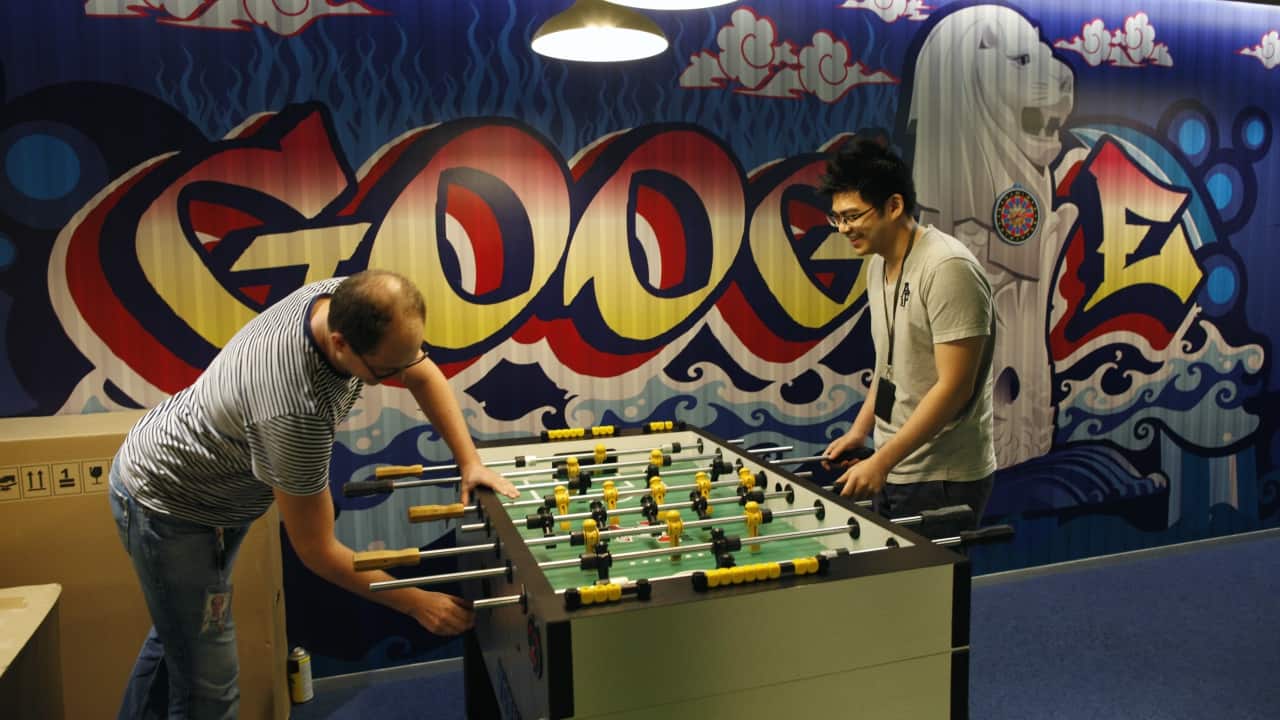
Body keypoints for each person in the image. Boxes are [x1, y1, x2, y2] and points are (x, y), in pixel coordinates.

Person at [108, 269, 519, 719]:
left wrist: (471, 461)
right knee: (209, 686)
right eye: (386, 371)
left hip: (218, 489)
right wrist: (415, 601)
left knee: (177, 640)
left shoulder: (341, 296)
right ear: (341, 344)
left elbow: (420, 373)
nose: (400, 375)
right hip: (172, 503)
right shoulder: (295, 409)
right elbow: (319, 552)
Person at [818, 138, 996, 536]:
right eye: (837, 219)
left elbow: (955, 388)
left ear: (894, 206)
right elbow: (889, 366)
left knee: (928, 596)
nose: (843, 229)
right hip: (896, 461)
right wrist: (862, 431)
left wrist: (882, 461)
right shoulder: (877, 265)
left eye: (852, 216)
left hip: (942, 475)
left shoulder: (947, 267)